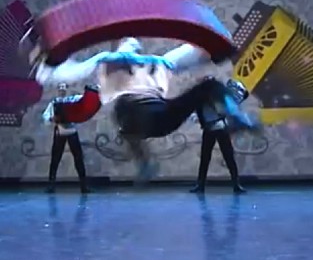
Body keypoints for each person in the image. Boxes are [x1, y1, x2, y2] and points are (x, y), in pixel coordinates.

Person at [36, 38, 258, 179]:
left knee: (124, 108)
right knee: (208, 86)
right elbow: (191, 54)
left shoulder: (117, 58)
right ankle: (235, 116)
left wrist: (45, 67)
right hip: (158, 119)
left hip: (142, 117)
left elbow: (72, 72)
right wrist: (215, 47)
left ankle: (235, 118)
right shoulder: (155, 61)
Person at [189, 80, 247, 194]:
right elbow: (200, 115)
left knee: (229, 157)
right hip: (209, 129)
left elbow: (230, 106)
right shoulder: (202, 101)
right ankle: (200, 185)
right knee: (205, 158)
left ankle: (236, 184)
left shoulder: (219, 98)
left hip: (221, 129)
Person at [41, 83, 91, 193]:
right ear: (58, 90)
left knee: (78, 158)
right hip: (60, 131)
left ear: (67, 89)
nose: (62, 90)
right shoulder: (54, 102)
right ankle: (51, 185)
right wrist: (51, 119)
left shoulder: (73, 100)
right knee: (55, 158)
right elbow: (46, 115)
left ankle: (83, 186)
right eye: (60, 88)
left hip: (72, 131)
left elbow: (84, 99)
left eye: (64, 88)